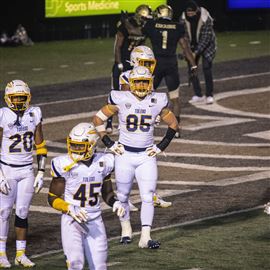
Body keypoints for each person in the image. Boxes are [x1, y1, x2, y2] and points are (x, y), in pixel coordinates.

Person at [93, 66, 178, 249]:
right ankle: (126, 229)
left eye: (144, 81)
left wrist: (161, 146)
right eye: (137, 81)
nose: (141, 85)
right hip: (124, 154)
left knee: (147, 196)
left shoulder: (157, 100)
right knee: (122, 196)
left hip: (147, 155)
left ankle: (145, 237)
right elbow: (98, 119)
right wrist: (109, 143)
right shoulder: (121, 99)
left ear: (150, 83)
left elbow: (173, 124)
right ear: (131, 83)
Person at [48, 122, 125, 270]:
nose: (75, 149)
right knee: (76, 264)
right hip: (72, 220)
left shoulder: (104, 162)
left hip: (95, 220)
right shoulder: (63, 164)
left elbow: (107, 193)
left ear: (92, 145)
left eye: (79, 146)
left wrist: (115, 202)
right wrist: (69, 207)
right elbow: (52, 197)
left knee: (100, 266)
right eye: (73, 145)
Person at [0, 80, 47, 268]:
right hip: (7, 168)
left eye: (22, 97)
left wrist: (41, 171)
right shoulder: (2, 115)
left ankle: (21, 253)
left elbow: (40, 145)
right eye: (15, 97)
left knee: (22, 212)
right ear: (7, 98)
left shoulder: (34, 113)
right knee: (3, 212)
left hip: (27, 169)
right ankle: (2, 253)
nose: (19, 101)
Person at [119, 45, 172, 208]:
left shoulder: (146, 76)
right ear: (135, 61)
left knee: (148, 159)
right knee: (128, 161)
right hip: (131, 124)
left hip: (144, 122)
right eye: (144, 62)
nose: (147, 66)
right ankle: (124, 198)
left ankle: (150, 193)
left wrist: (154, 113)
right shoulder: (127, 76)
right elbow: (127, 100)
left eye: (149, 63)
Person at [141, 4, 198, 138]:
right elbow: (185, 47)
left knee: (145, 95)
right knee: (175, 98)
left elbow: (139, 38)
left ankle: (144, 124)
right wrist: (194, 65)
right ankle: (176, 128)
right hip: (171, 64)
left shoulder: (151, 25)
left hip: (156, 64)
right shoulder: (178, 27)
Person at [107, 4, 152, 133]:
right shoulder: (125, 25)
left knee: (133, 94)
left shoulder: (141, 26)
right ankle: (109, 122)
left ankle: (127, 121)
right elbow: (117, 46)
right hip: (123, 62)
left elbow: (137, 33)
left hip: (135, 64)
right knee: (115, 93)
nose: (147, 20)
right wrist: (118, 62)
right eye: (145, 17)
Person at [181, 0, 217, 104]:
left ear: (197, 11)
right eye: (188, 13)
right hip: (191, 45)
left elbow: (206, 39)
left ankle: (209, 95)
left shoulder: (206, 18)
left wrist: (195, 53)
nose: (190, 15)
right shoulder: (183, 18)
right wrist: (187, 51)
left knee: (206, 67)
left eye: (192, 13)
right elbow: (184, 36)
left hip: (208, 45)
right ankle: (198, 94)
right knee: (192, 69)